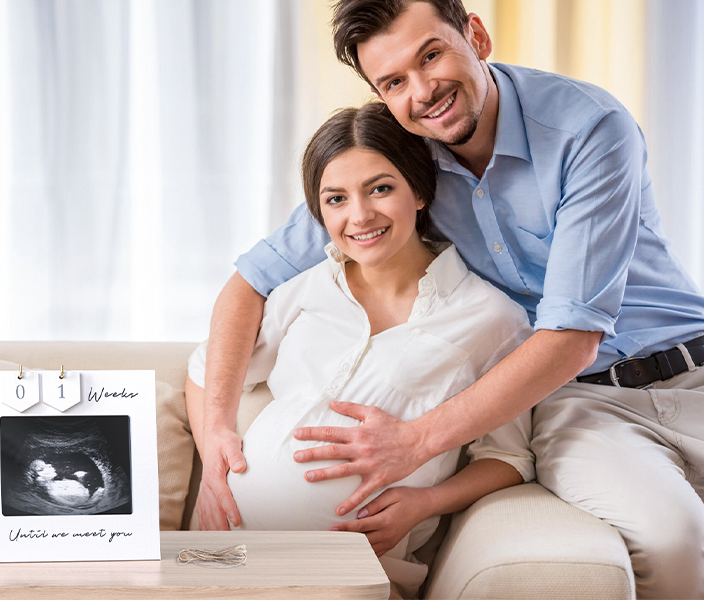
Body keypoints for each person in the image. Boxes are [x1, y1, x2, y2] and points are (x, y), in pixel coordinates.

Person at [195, 1, 704, 598]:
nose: (423, 92)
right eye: (393, 82)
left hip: (690, 367)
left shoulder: (586, 128)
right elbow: (249, 282)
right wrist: (218, 435)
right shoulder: (400, 164)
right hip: (581, 400)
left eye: (431, 55)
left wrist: (413, 442)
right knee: (675, 539)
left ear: (477, 36)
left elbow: (572, 334)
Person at [186, 102, 534, 599]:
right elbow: (202, 371)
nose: (359, 216)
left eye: (380, 188)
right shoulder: (302, 290)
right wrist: (213, 449)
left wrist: (426, 502)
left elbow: (511, 457)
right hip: (224, 558)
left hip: (350, 570)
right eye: (336, 199)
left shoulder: (491, 317)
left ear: (418, 190)